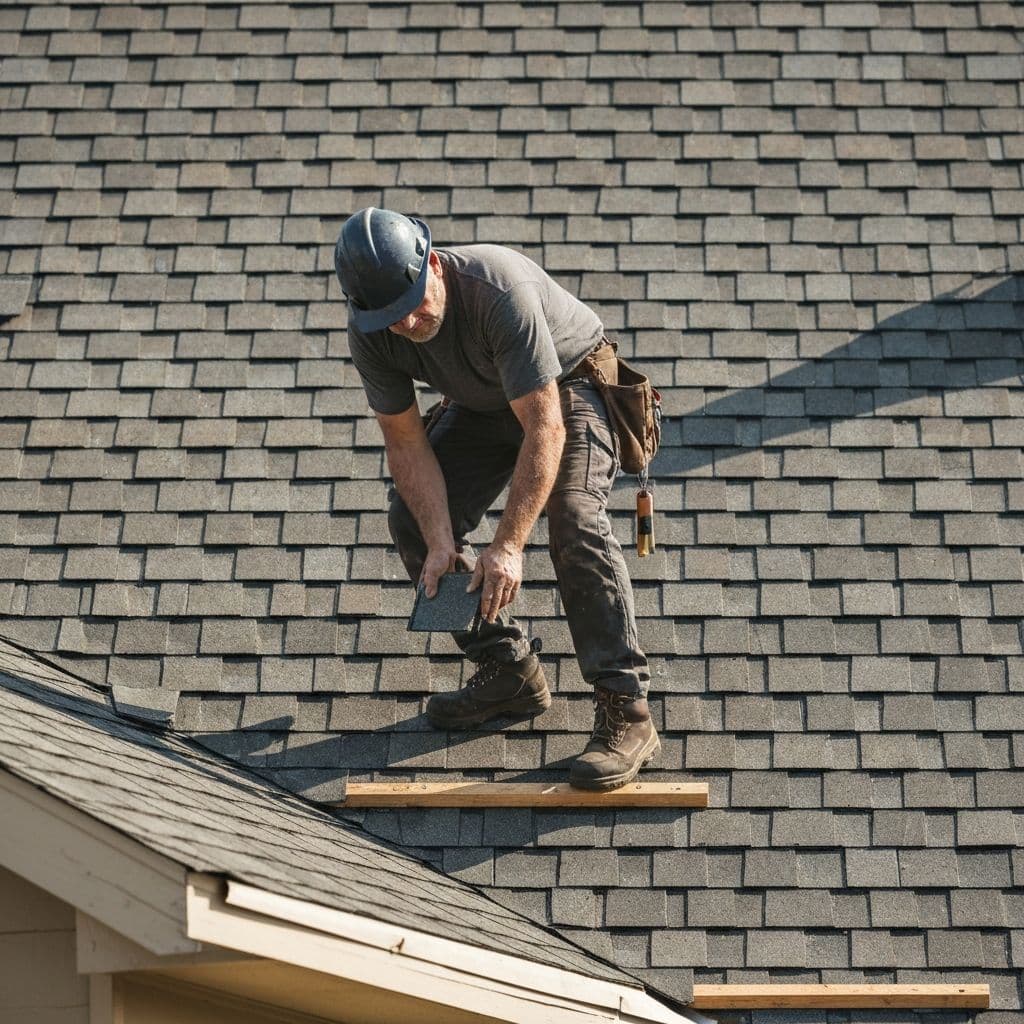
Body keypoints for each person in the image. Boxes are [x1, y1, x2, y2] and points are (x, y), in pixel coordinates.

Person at [334, 207, 659, 790]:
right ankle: (508, 670)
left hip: (569, 385)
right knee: (411, 517)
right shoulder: (372, 332)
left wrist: (507, 545)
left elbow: (545, 428)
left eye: (412, 305)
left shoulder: (494, 290)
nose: (406, 324)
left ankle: (628, 710)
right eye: (390, 318)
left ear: (432, 264)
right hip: (484, 403)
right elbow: (405, 444)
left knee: (574, 516)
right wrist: (439, 543)